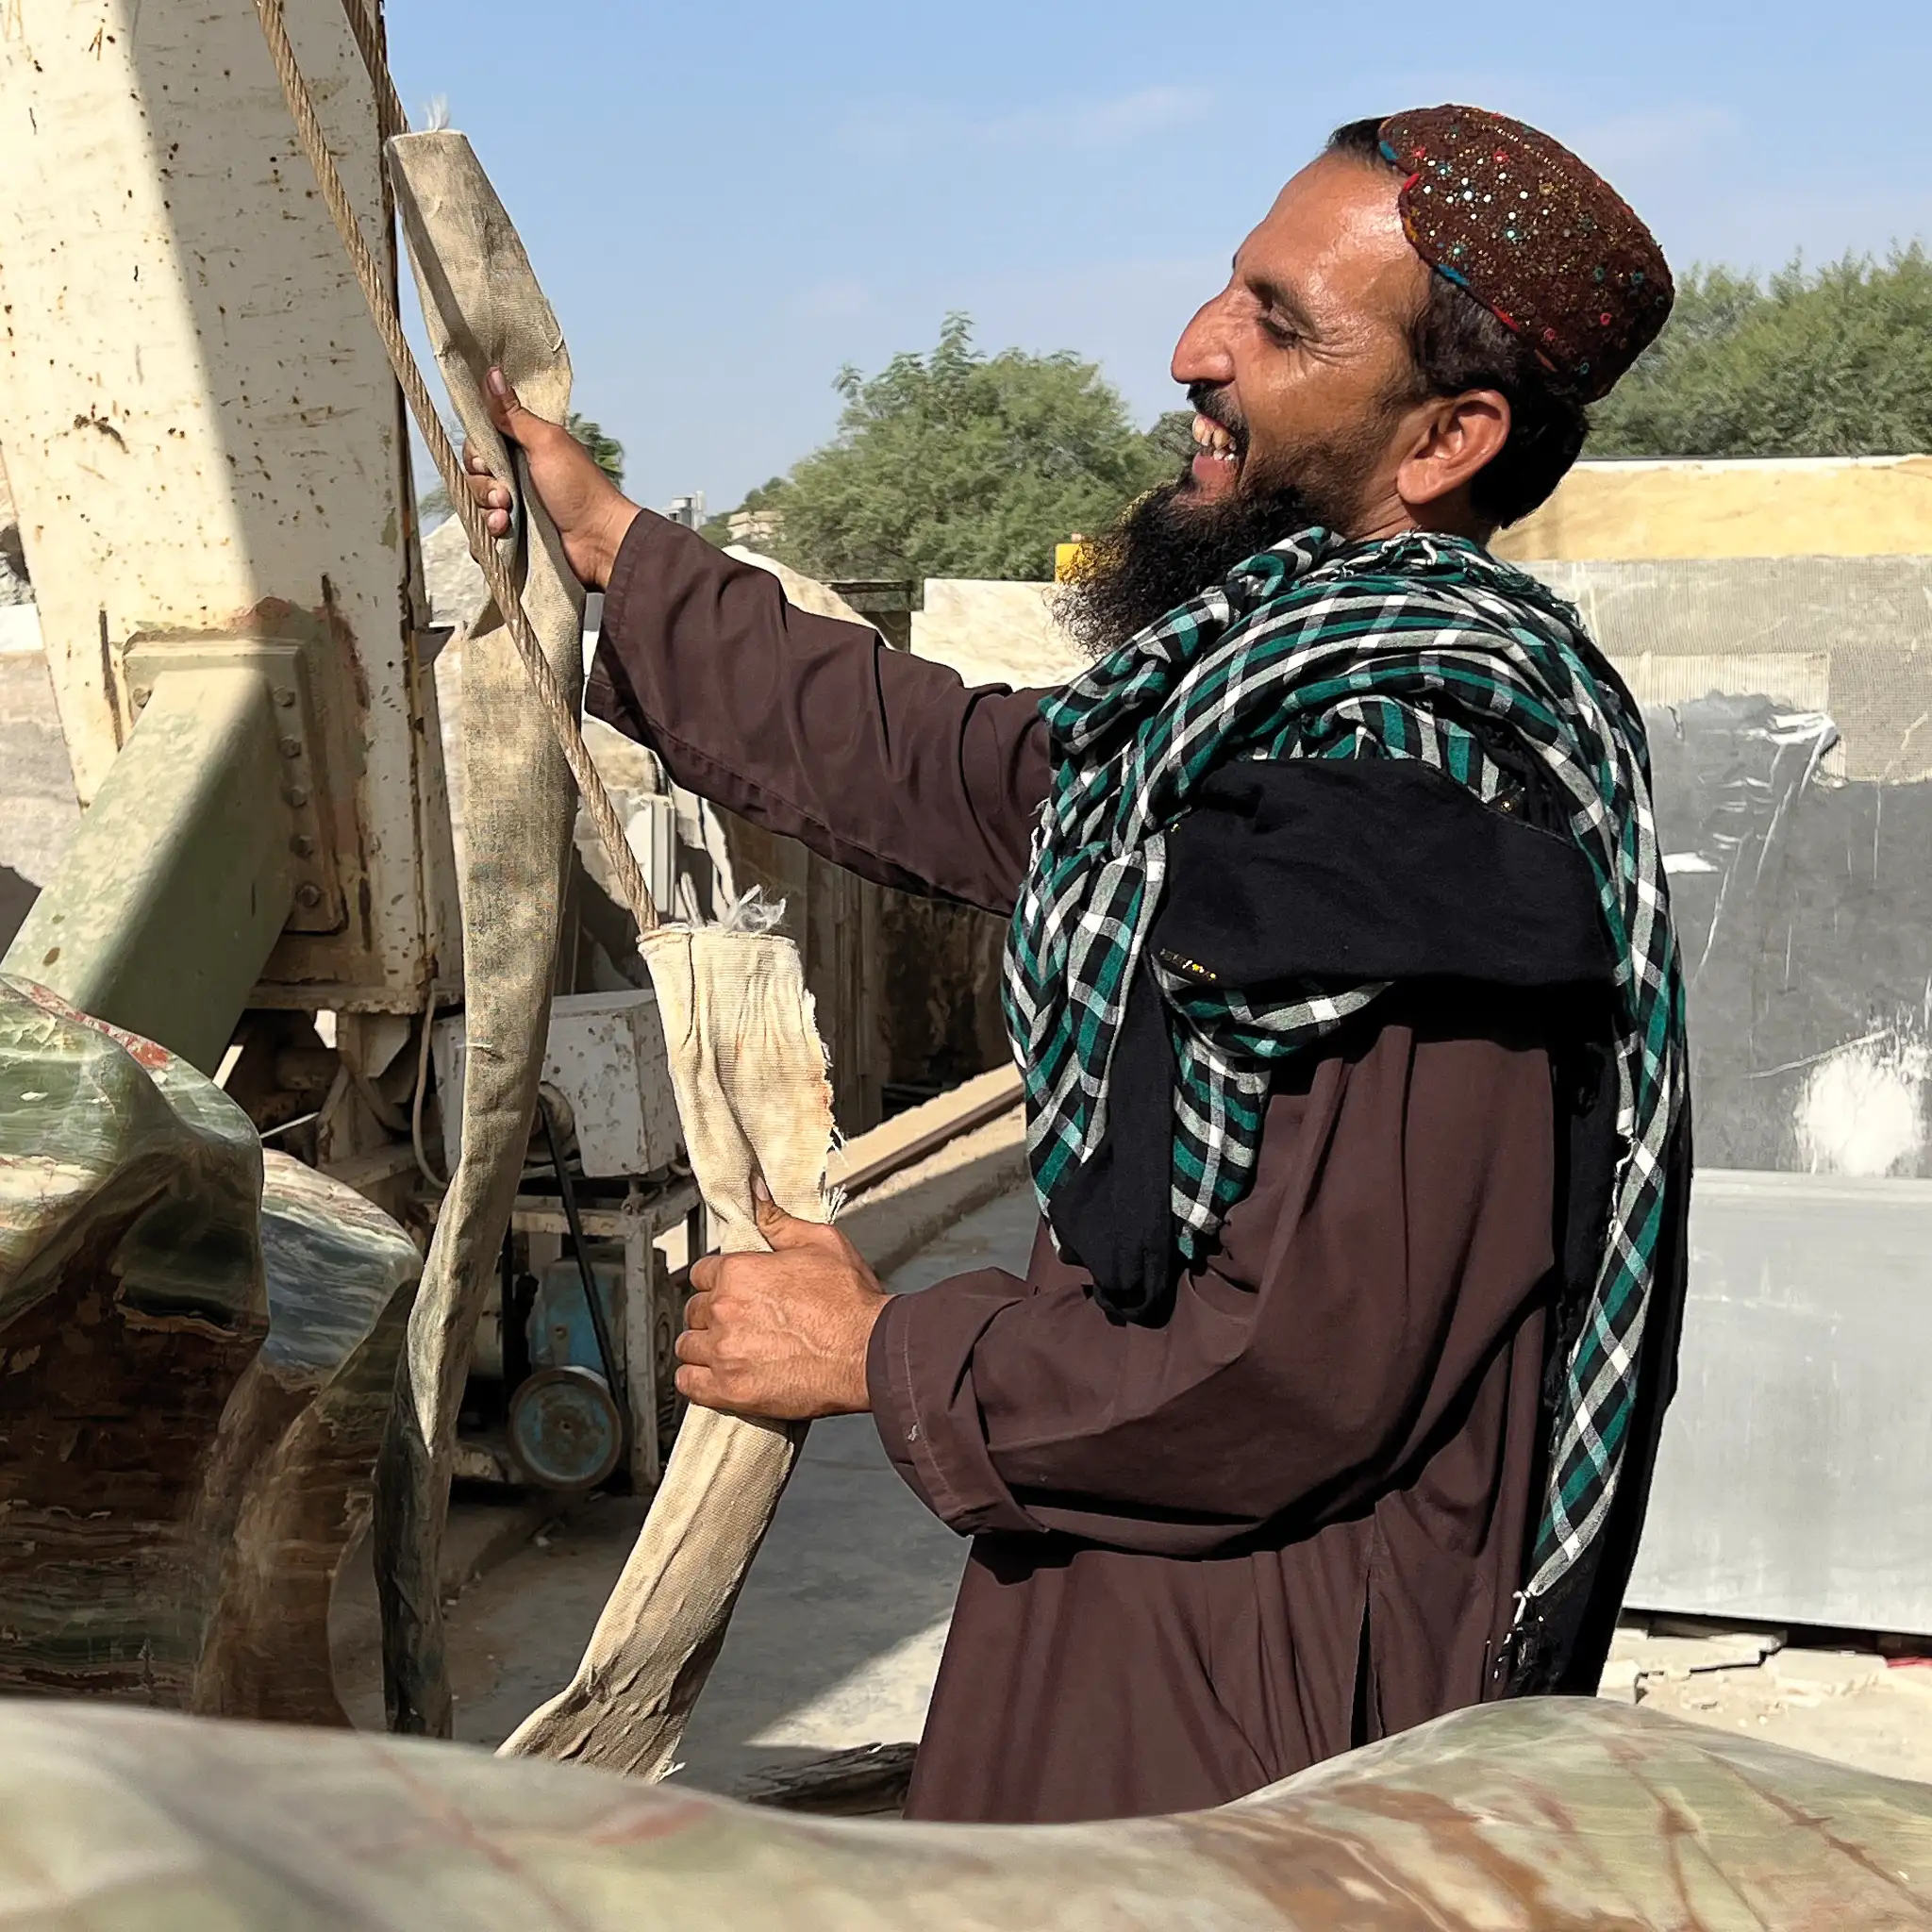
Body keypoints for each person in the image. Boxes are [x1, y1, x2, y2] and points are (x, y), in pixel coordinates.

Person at [464, 106, 1692, 1825]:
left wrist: (875, 1350)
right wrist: (618, 557)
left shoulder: (1407, 791)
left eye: (1279, 322)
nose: (1197, 349)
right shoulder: (1250, 723)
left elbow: (1298, 1371)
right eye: (1228, 290)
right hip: (1168, 1612)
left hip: (1257, 1701)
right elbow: (969, 771)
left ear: (1449, 435)